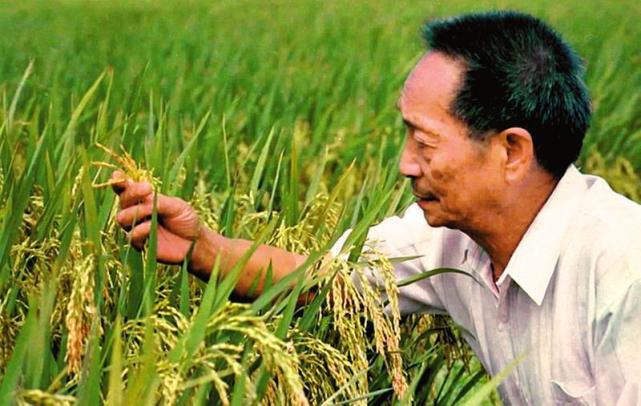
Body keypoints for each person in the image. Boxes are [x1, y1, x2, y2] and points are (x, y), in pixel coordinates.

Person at [111, 11, 641, 405]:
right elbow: (326, 282)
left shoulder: (622, 268)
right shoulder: (447, 241)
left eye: (426, 143)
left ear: (512, 151)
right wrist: (204, 248)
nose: (406, 165)